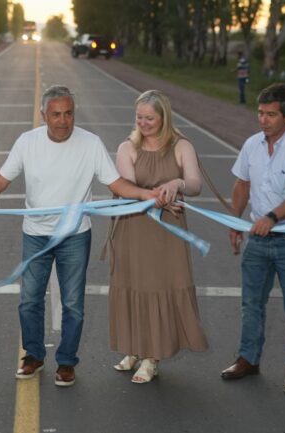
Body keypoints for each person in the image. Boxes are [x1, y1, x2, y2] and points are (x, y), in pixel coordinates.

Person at [0, 85, 159, 387]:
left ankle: (66, 362)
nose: (63, 121)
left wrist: (145, 194)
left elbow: (116, 183)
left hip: (75, 236)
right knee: (29, 300)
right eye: (56, 114)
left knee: (73, 303)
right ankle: (33, 356)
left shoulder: (90, 143)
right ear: (44, 115)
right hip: (35, 235)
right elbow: (0, 179)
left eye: (68, 114)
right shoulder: (27, 142)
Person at [220, 83, 285, 396]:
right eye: (260, 113)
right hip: (258, 239)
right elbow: (242, 185)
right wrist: (235, 222)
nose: (263, 120)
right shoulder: (252, 145)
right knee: (251, 303)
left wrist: (272, 218)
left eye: (271, 115)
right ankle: (248, 359)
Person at [108, 90, 208, 384]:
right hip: (133, 228)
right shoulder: (127, 147)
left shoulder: (182, 146)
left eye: (149, 118)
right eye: (139, 117)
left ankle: (152, 357)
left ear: (164, 117)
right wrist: (157, 199)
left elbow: (195, 185)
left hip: (168, 233)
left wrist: (177, 184)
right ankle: (133, 348)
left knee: (158, 287)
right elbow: (128, 188)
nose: (143, 123)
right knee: (132, 285)